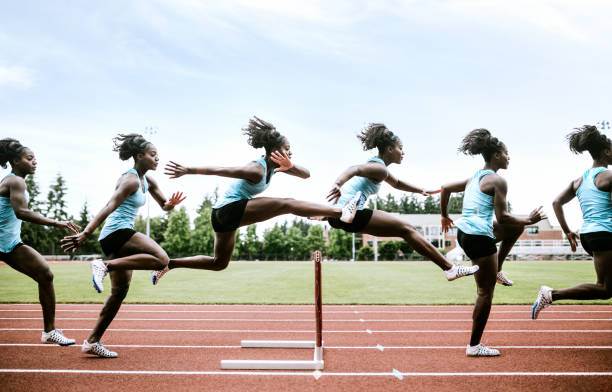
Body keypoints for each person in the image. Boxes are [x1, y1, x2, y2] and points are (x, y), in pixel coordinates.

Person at [153, 116, 361, 282]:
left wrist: (290, 166)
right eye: (287, 149)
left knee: (219, 263)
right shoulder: (257, 169)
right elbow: (223, 169)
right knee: (287, 203)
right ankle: (341, 212)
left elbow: (306, 174)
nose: (291, 152)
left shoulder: (276, 167)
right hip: (229, 209)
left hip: (222, 215)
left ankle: (169, 264)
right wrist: (188, 169)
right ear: (275, 151)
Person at [61, 133, 185, 358]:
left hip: (119, 235)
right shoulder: (130, 180)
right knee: (162, 259)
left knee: (119, 293)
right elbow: (109, 205)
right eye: (153, 155)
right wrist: (86, 233)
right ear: (139, 156)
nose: (157, 158)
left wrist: (171, 205)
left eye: (158, 155)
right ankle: (105, 266)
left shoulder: (148, 180)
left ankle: (92, 341)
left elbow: (164, 205)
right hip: (117, 233)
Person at [325, 123, 479, 281]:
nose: (403, 152)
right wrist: (337, 184)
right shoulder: (379, 168)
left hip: (337, 214)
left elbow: (397, 183)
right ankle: (450, 268)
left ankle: (450, 268)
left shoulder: (380, 168)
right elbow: (354, 168)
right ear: (390, 149)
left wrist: (420, 190)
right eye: (400, 148)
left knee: (406, 230)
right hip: (349, 212)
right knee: (407, 229)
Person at [440, 129, 546, 356]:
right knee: (484, 293)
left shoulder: (473, 178)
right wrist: (530, 219)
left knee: (516, 228)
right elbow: (502, 217)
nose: (509, 158)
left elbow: (446, 187)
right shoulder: (498, 181)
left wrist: (444, 215)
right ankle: (474, 346)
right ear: (497, 154)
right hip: (479, 236)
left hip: (464, 234)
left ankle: (499, 268)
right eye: (507, 153)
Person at [0, 138, 79, 346]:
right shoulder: (15, 181)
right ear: (16, 161)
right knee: (45, 274)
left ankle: (50, 331)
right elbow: (22, 212)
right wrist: (57, 223)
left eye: (35, 158)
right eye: (30, 158)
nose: (35, 162)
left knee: (45, 274)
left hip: (8, 244)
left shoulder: (14, 181)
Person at [532, 125, 612, 319]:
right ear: (606, 152)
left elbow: (556, 202)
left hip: (589, 234)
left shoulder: (580, 180)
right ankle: (551, 294)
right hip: (603, 234)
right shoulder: (608, 176)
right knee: (604, 289)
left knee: (607, 287)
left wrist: (568, 231)